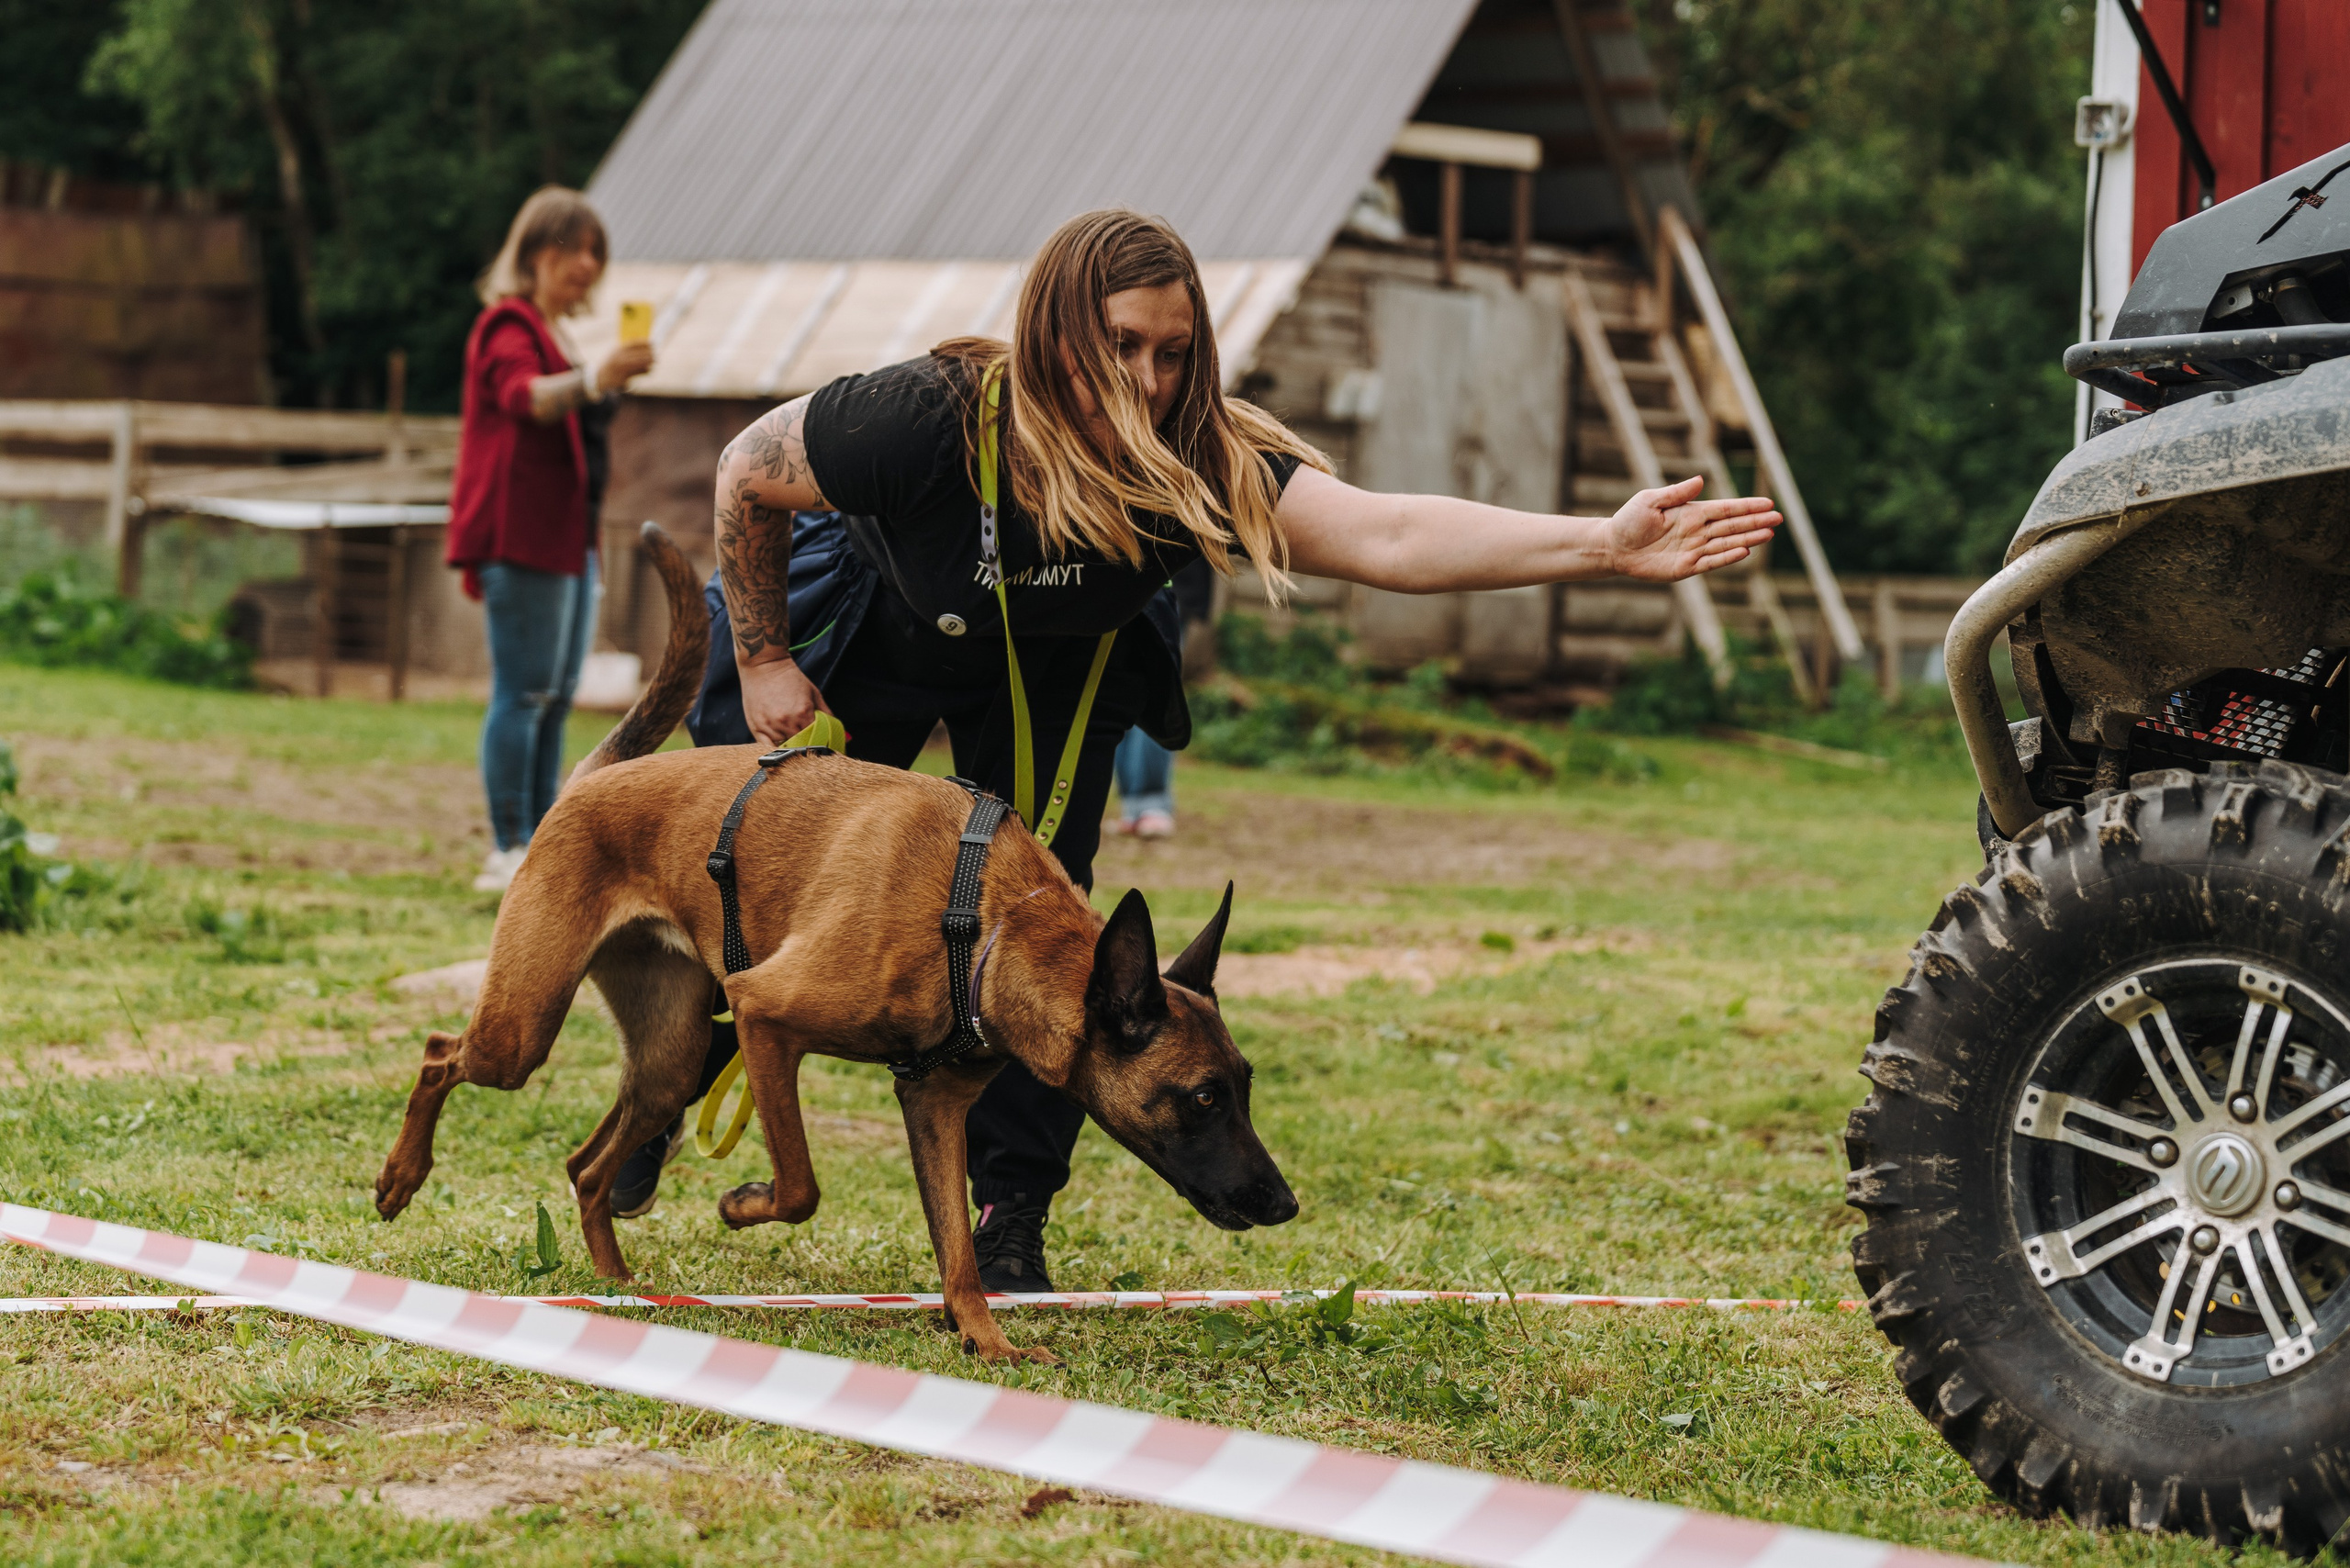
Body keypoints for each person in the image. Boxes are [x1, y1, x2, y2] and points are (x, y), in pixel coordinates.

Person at [611, 208, 1779, 1285]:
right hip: (881, 624)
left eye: (1174, 352)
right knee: (752, 883)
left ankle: (1011, 1216)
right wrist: (764, 658)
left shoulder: (1196, 461)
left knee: (1058, 949)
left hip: (1059, 668)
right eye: (1120, 344)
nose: (1149, 379)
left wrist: (1601, 545)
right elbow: (747, 470)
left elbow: (1389, 533)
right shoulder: (927, 417)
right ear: (1054, 331)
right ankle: (657, 1105)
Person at [446, 185, 655, 893]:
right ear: (535, 254)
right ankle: (506, 845)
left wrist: (597, 378)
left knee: (557, 697)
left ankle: (537, 842)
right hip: (521, 535)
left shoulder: (555, 334)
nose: (587, 265)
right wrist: (596, 378)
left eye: (596, 252)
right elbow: (525, 398)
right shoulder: (506, 325)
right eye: (573, 249)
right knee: (524, 693)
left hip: (568, 540)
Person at [1112, 556, 1212, 837]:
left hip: (1167, 587)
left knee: (1150, 695)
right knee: (1127, 697)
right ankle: (1136, 805)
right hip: (1121, 587)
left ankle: (1148, 803)